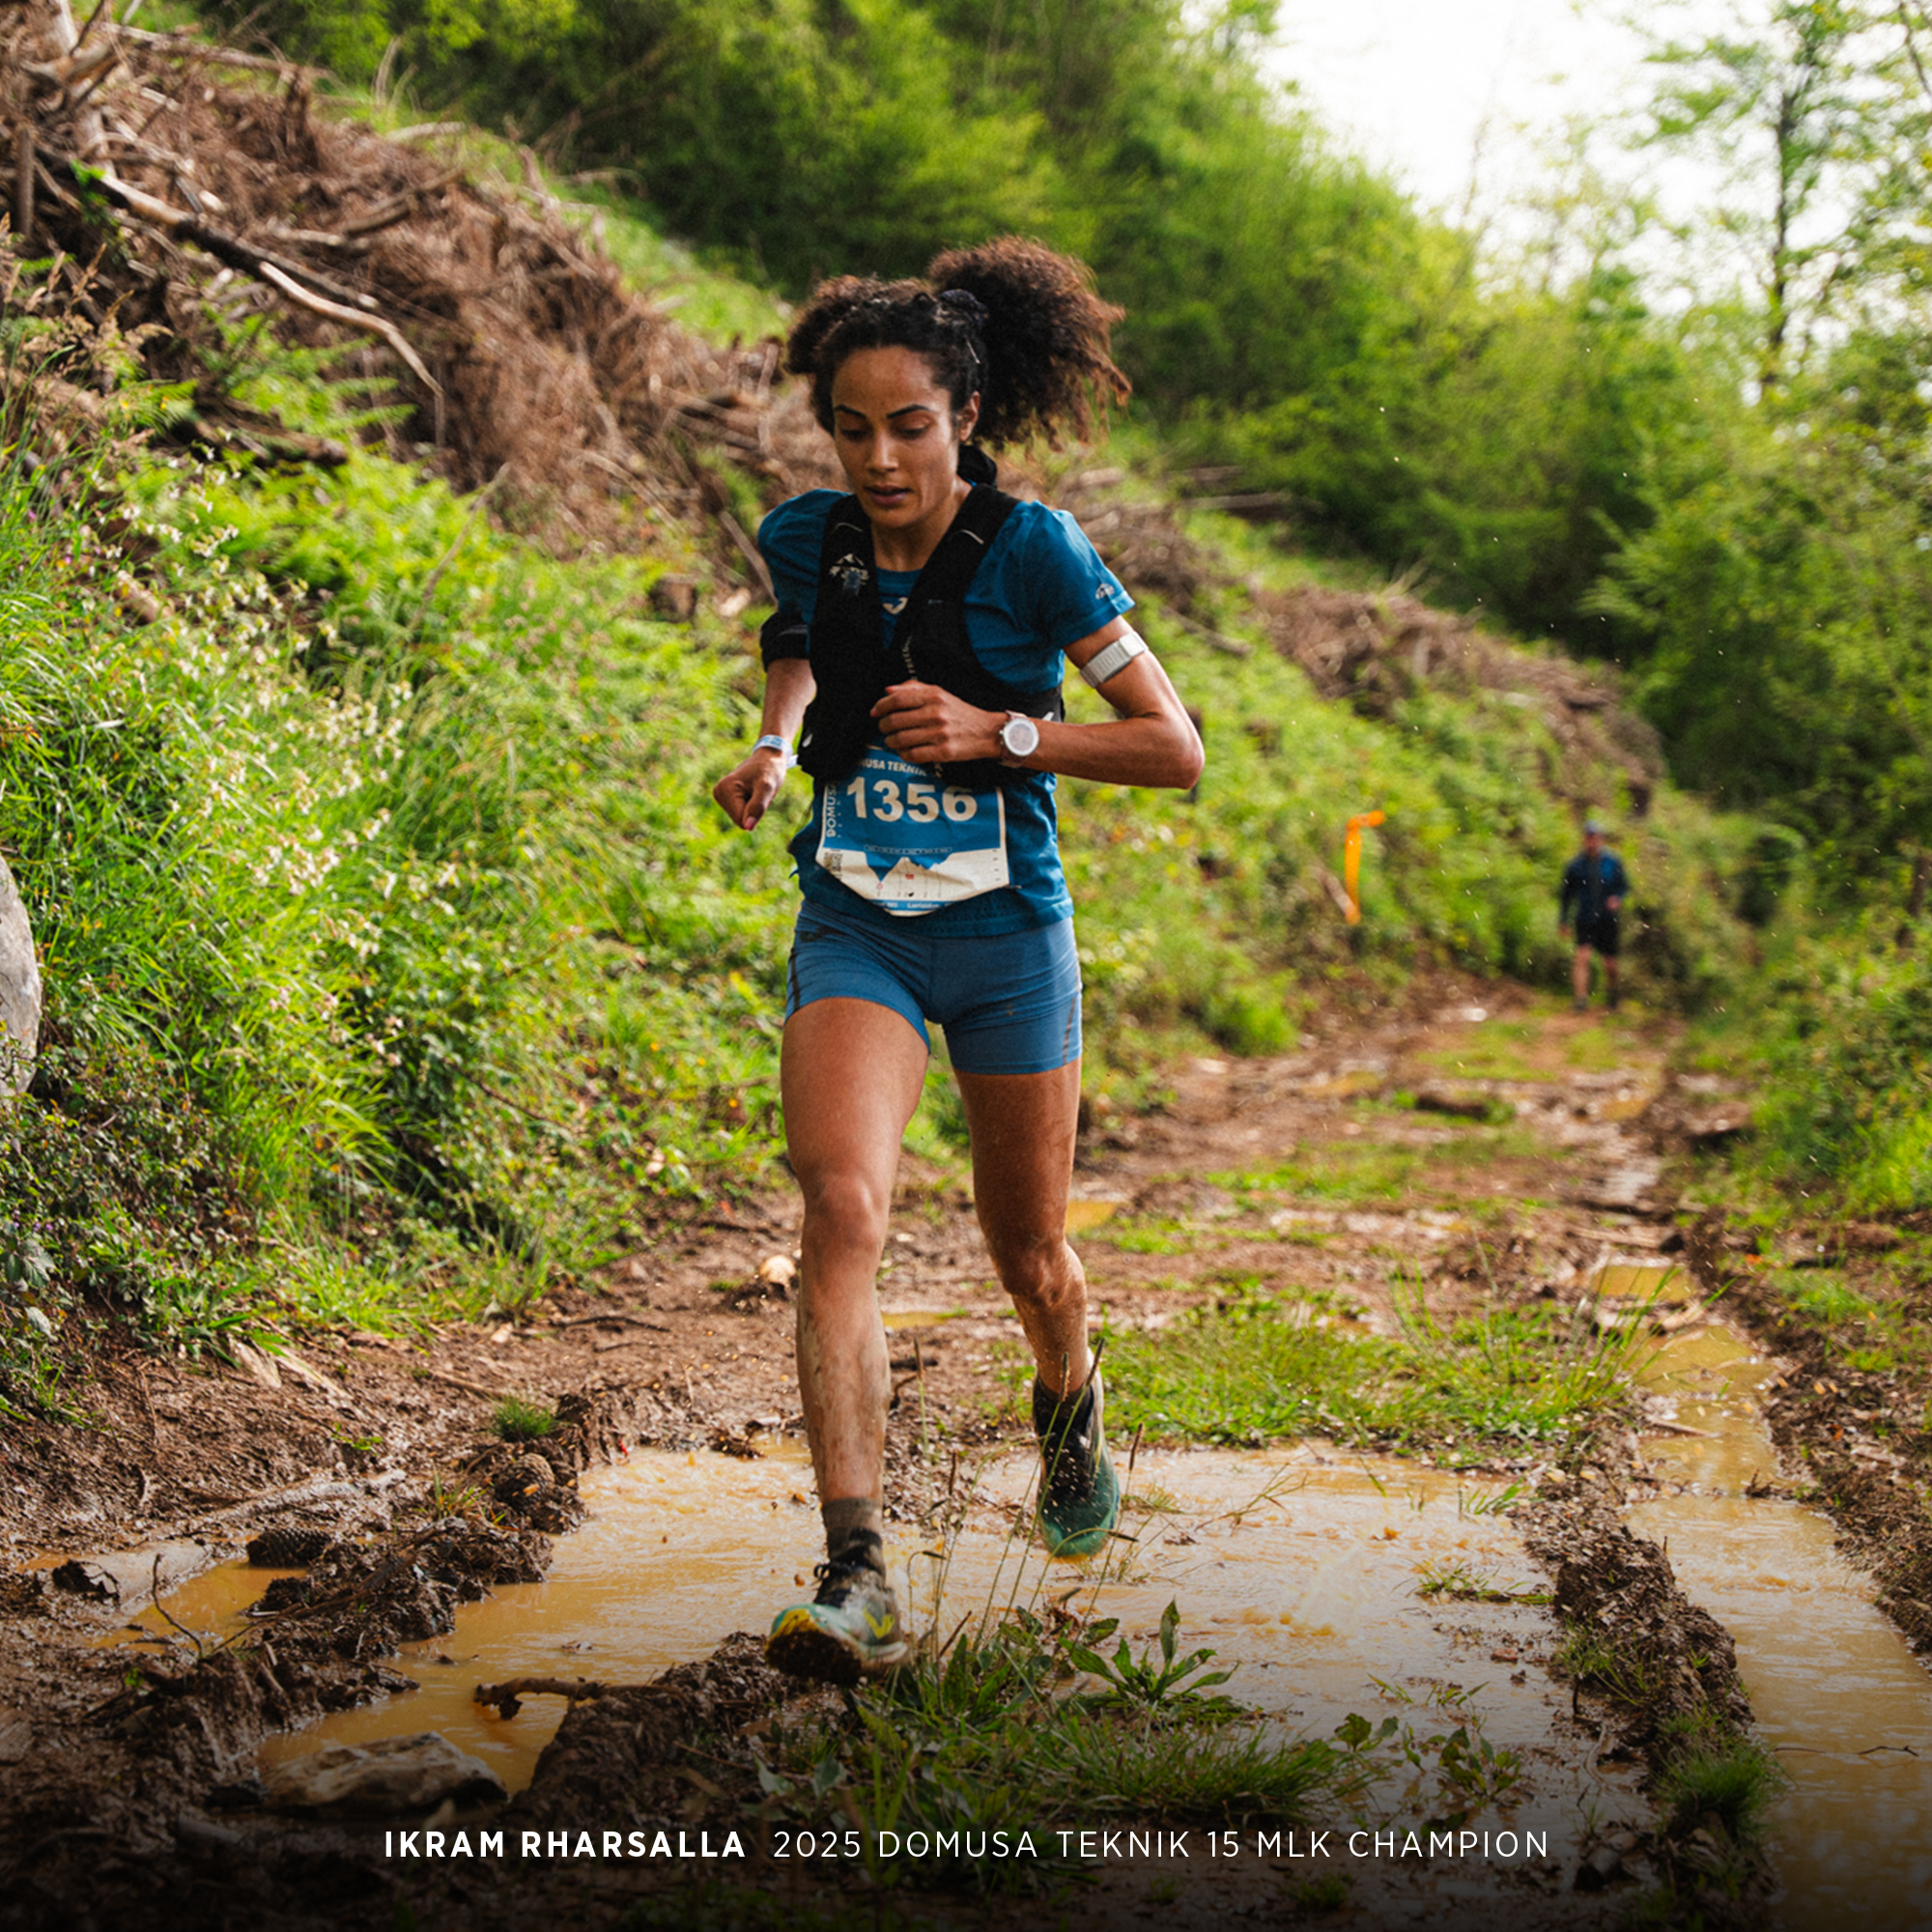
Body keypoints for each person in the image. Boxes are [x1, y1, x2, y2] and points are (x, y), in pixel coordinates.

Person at [710, 239, 1203, 1686]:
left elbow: (1175, 748)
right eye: (851, 428)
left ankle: (1070, 1397)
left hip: (1004, 940)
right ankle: (856, 1570)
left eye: (907, 427)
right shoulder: (804, 534)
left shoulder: (1036, 553)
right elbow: (801, 650)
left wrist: (1010, 735)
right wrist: (775, 740)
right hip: (857, 918)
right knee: (842, 1208)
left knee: (1028, 1256)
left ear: (964, 419)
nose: (878, 458)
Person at [1558, 819, 1630, 1010]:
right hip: (1585, 917)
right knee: (1582, 957)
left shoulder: (1613, 862)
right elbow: (1566, 895)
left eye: (1596, 837)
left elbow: (1624, 886)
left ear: (1601, 839)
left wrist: (1617, 898)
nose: (1592, 841)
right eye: (1589, 837)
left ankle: (1612, 992)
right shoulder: (1575, 866)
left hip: (1607, 919)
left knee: (1610, 964)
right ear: (1584, 839)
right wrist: (1563, 920)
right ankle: (1580, 999)